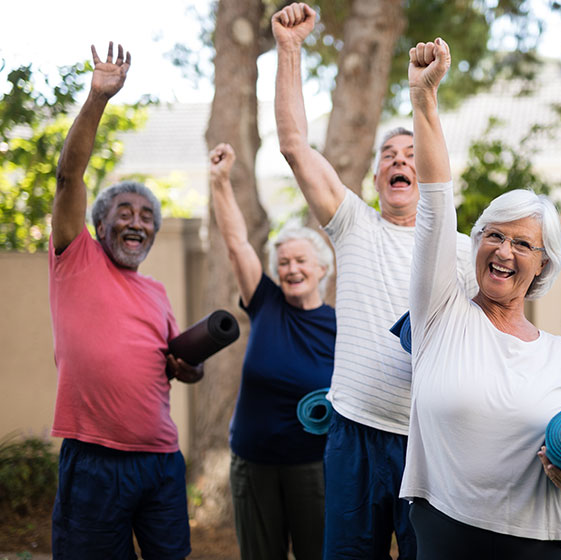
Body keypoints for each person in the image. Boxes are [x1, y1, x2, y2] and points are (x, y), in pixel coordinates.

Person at [399, 38, 561, 560]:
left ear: (542, 263)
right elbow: (435, 205)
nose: (504, 251)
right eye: (494, 235)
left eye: (523, 244)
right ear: (477, 243)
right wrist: (424, 99)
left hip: (540, 544)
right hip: (446, 534)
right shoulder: (441, 314)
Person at [272, 4, 477, 559]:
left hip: (430, 443)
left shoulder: (463, 251)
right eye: (388, 155)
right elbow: (294, 145)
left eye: (411, 154)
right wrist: (289, 49)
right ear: (377, 175)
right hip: (354, 433)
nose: (398, 161)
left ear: (429, 169)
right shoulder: (354, 224)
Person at [49, 42, 202, 559]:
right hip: (95, 459)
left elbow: (178, 366)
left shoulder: (156, 293)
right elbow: (69, 176)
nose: (137, 222)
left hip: (160, 460)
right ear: (98, 223)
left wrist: (190, 367)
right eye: (125, 212)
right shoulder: (75, 258)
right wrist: (98, 97)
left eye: (147, 217)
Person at [208, 143, 336, 560]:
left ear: (322, 268)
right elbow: (236, 243)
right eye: (283, 263)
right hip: (254, 463)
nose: (291, 269)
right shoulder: (265, 302)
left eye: (300, 261)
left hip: (314, 467)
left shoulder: (341, 325)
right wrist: (220, 181)